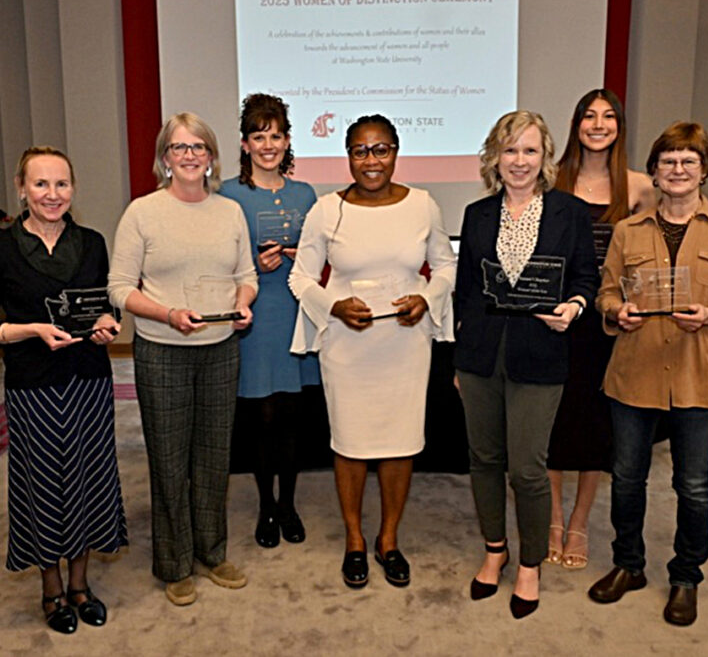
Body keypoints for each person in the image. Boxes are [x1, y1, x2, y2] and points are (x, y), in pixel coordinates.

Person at [587, 121, 708, 626]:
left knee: (694, 485)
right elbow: (606, 292)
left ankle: (686, 576)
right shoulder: (628, 230)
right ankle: (629, 566)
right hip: (634, 371)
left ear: (704, 169)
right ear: (655, 172)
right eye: (669, 161)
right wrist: (616, 311)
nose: (679, 169)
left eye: (689, 160)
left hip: (698, 374)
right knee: (625, 479)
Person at [288, 114, 455, 589]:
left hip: (405, 344)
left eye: (381, 149)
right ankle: (355, 539)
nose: (371, 160)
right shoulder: (325, 210)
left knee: (401, 442)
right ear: (348, 157)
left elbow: (445, 266)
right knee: (351, 444)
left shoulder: (423, 205)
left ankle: (389, 539)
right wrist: (333, 305)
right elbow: (301, 277)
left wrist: (427, 297)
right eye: (361, 151)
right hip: (347, 346)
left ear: (396, 152)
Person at [0, 146, 127, 634]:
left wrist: (108, 322)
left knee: (86, 478)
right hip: (33, 387)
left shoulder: (94, 243)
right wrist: (32, 329)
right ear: (21, 188)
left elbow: (106, 306)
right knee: (43, 487)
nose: (52, 194)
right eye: (41, 184)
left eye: (61, 184)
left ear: (73, 189)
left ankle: (81, 585)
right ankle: (51, 590)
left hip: (89, 381)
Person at [108, 113, 257, 607]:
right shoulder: (142, 213)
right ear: (164, 158)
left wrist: (244, 303)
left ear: (212, 157)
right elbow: (120, 288)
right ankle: (173, 562)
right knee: (170, 461)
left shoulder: (229, 211)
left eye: (199, 147)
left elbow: (246, 273)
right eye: (179, 147)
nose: (189, 155)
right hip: (162, 350)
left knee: (214, 458)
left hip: (220, 351)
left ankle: (212, 552)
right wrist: (169, 314)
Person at [453, 111, 598, 619]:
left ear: (546, 157)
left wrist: (575, 307)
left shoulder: (571, 213)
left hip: (540, 355)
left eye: (530, 150)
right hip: (479, 358)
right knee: (484, 461)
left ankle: (530, 564)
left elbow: (587, 277)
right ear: (495, 157)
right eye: (510, 150)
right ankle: (495, 551)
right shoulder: (476, 215)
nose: (519, 161)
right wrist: (459, 359)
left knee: (529, 470)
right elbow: (465, 292)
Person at [546, 89, 656, 570]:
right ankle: (551, 518)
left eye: (608, 116)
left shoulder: (639, 186)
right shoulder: (552, 179)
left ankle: (579, 521)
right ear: (575, 124)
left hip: (609, 324)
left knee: (595, 425)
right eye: (588, 115)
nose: (598, 124)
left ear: (619, 127)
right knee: (549, 418)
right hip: (555, 318)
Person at [219, 93, 321, 548]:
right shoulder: (226, 194)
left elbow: (320, 258)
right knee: (261, 416)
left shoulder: (305, 194)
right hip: (255, 318)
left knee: (293, 416)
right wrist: (254, 265)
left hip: (297, 314)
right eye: (259, 136)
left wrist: (302, 255)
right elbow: (220, 261)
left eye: (276, 135)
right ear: (244, 143)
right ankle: (264, 506)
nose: (268, 144)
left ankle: (289, 504)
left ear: (287, 141)